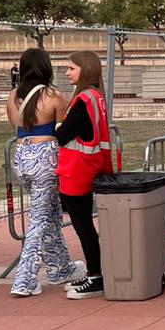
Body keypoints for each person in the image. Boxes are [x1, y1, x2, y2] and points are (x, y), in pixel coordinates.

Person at [4, 48, 86, 297]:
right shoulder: (53, 95)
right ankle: (24, 279)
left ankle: (60, 267)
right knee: (39, 218)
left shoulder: (13, 96)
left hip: (21, 158)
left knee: (49, 213)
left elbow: (16, 126)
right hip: (45, 158)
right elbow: (63, 128)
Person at [55, 51, 114, 299]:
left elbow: (63, 135)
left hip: (77, 170)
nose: (67, 72)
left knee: (83, 226)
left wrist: (57, 126)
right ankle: (96, 273)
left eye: (71, 68)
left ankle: (95, 276)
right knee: (85, 226)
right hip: (92, 166)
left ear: (85, 70)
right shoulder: (96, 97)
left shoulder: (82, 100)